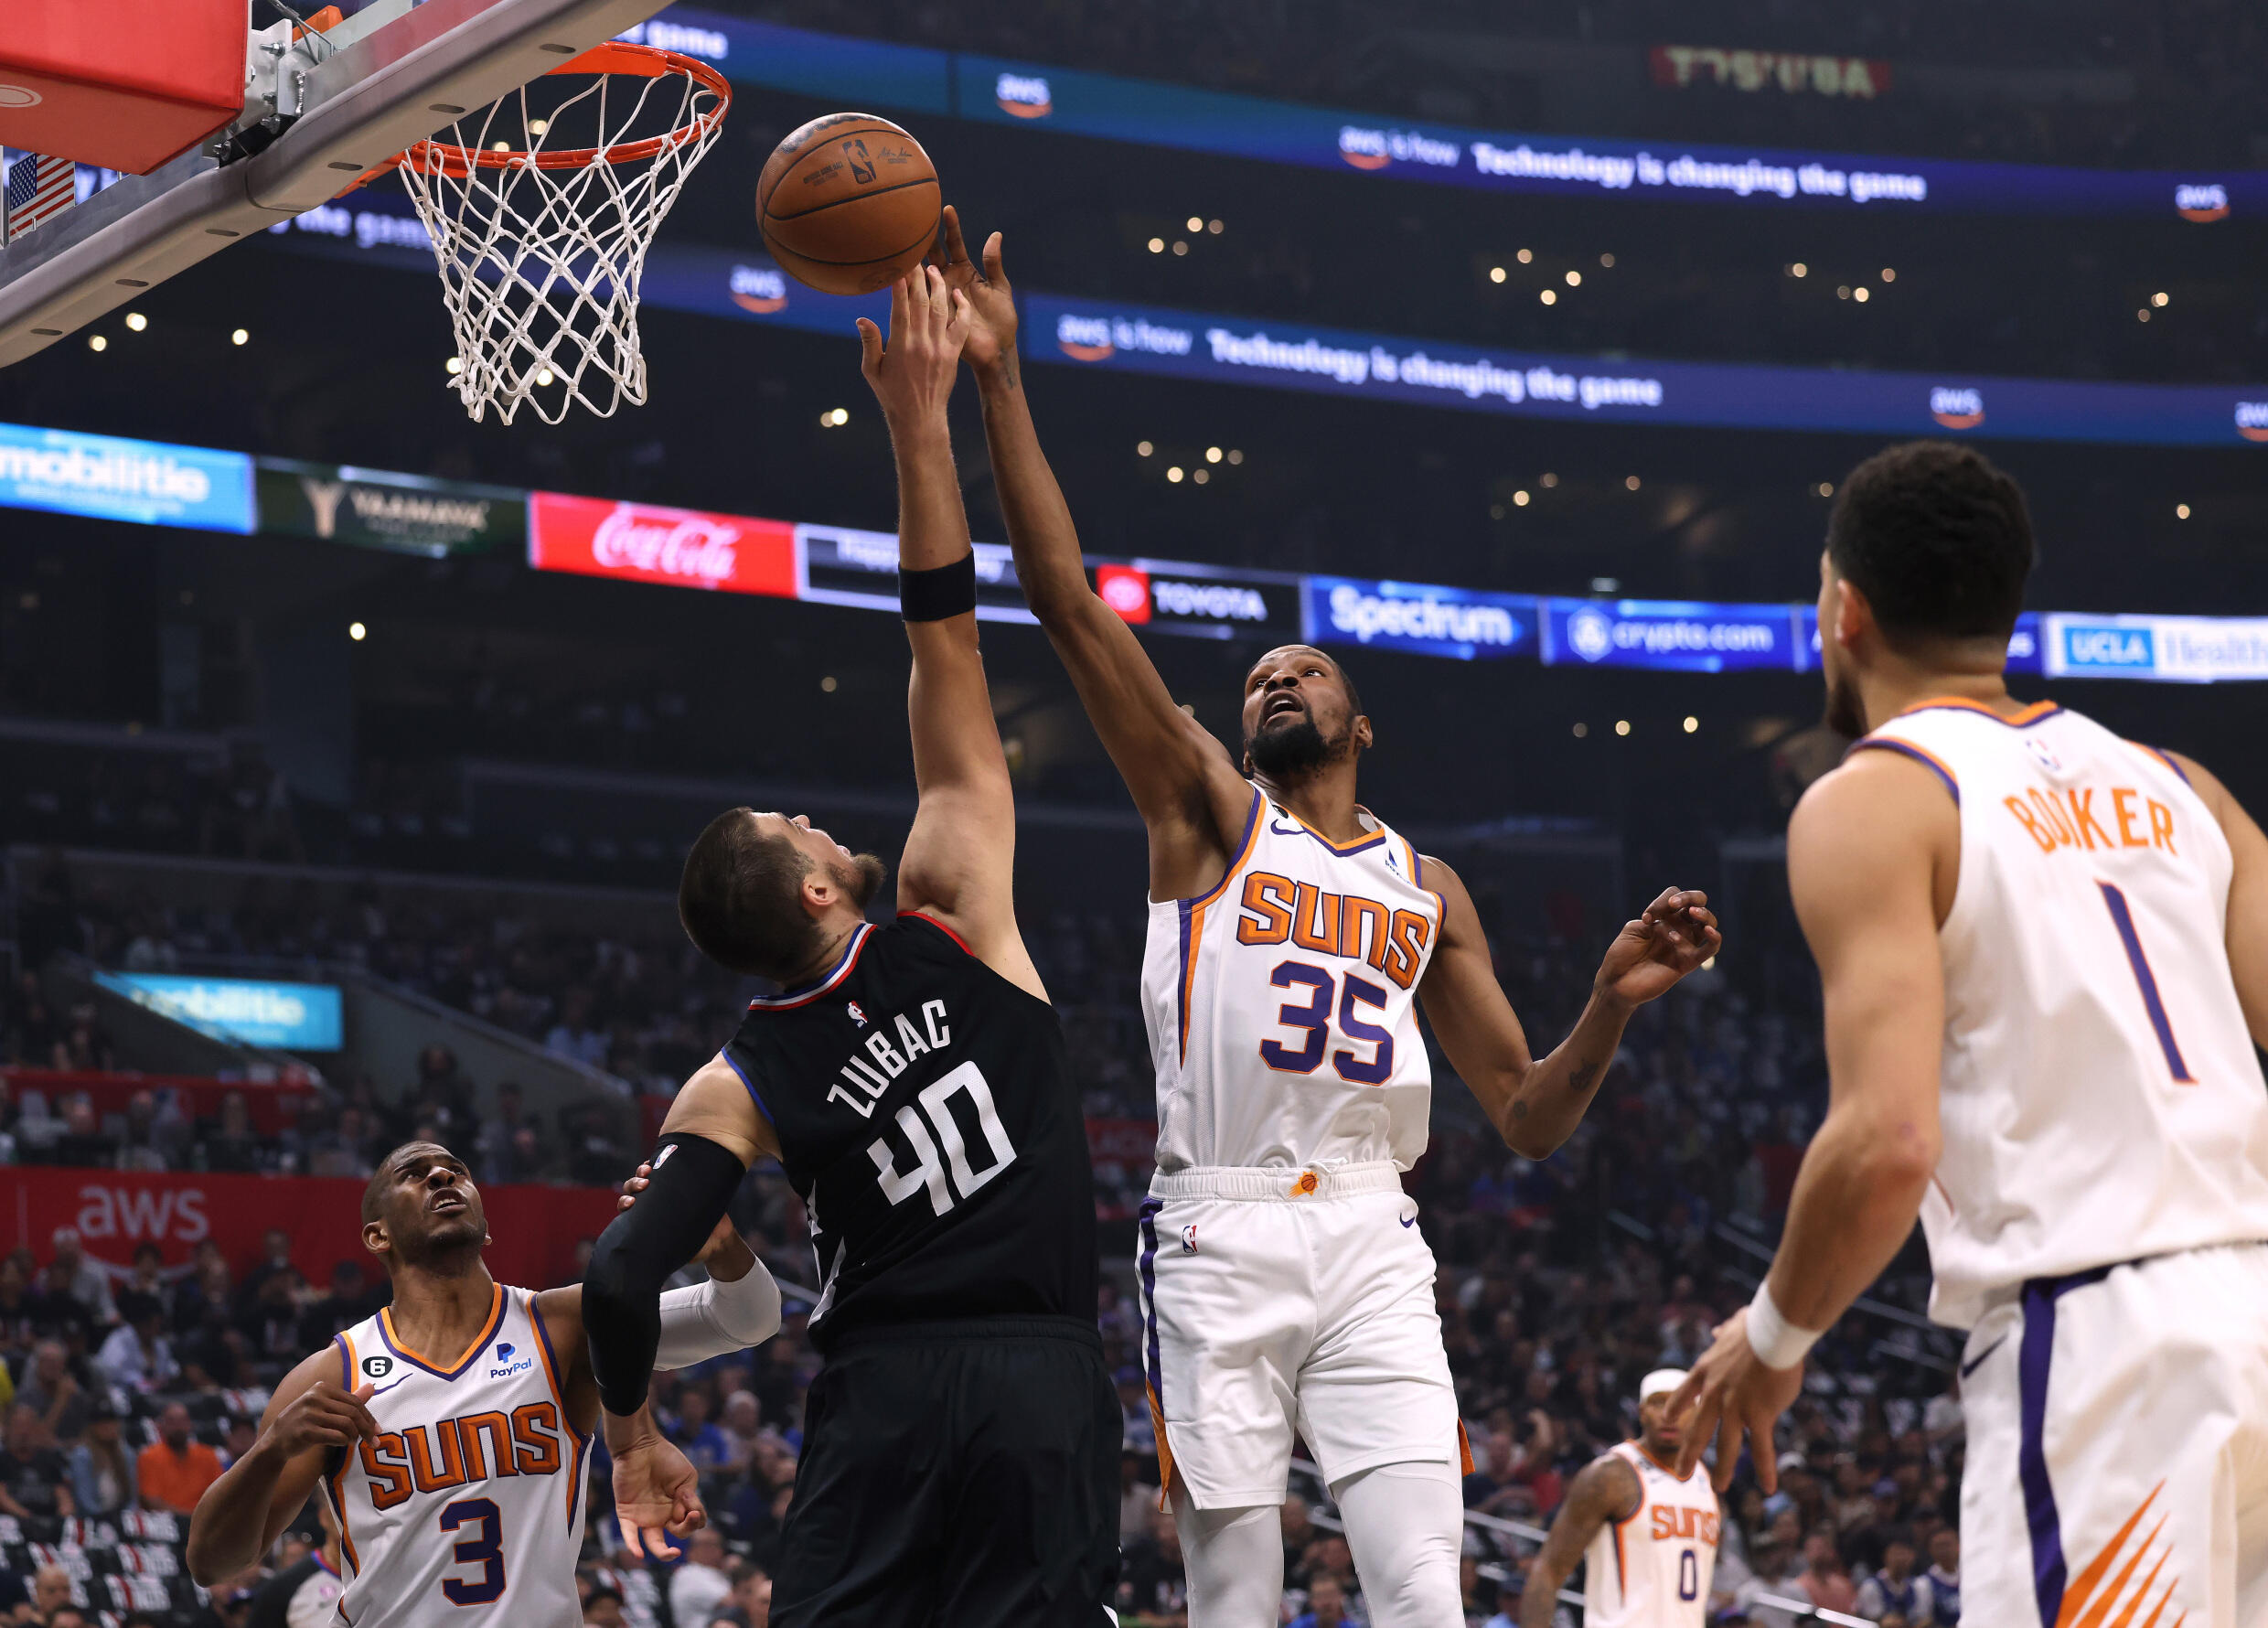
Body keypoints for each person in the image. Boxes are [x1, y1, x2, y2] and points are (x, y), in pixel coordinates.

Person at [930, 204, 1721, 1628]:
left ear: (1368, 719)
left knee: (1423, 1586)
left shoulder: (1430, 888)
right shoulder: (1209, 812)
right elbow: (1062, 601)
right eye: (1260, 678)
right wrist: (1000, 374)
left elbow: (1530, 1119)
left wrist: (1608, 996)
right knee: (1233, 1595)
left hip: (1372, 1228)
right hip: (1218, 1224)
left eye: (1309, 670)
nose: (1277, 680)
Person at [582, 269, 1118, 1628]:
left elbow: (616, 1272)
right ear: (818, 888)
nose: (818, 818)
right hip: (1042, 1383)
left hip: (880, 1398)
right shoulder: (955, 910)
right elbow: (944, 634)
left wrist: (637, 1436)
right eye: (796, 825)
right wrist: (919, 422)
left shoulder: (738, 1076)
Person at [1672, 441, 2268, 1628]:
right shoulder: (2187, 786)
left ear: (1845, 609)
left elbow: (1889, 1138)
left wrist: (1776, 1338)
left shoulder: (1875, 796)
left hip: (2104, 1347)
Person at [184, 1141, 779, 1628]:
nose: (442, 1174)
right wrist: (267, 1454)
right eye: (414, 1175)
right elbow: (213, 1563)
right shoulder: (333, 1374)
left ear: (485, 1227)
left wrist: (721, 1245)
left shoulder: (563, 1326)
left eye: (456, 1171)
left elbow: (746, 1317)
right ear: (376, 1236)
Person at [1520, 1370, 1718, 1627]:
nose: (1670, 1414)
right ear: (1641, 1411)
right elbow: (1547, 1570)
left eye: (1682, 1404)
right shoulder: (1609, 1476)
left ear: (1698, 1414)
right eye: (1659, 1403)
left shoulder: (1704, 1479)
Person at [138, 1400, 222, 1516]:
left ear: (190, 1424)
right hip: (168, 1524)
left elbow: (219, 1494)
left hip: (204, 1521)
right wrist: (188, 1518)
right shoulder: (149, 1456)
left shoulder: (208, 1455)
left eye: (183, 1421)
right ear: (161, 1426)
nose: (178, 1427)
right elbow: (151, 1502)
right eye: (172, 1421)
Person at [1855, 1530, 1936, 1625]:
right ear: (1885, 1556)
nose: (1901, 1559)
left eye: (1905, 1553)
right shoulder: (1871, 1586)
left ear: (1913, 1556)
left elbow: (1925, 1619)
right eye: (1896, 1553)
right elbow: (1876, 1620)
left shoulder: (1920, 1586)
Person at [669, 1527, 733, 1628]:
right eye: (707, 1545)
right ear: (692, 1550)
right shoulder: (689, 1573)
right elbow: (730, 1602)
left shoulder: (719, 1573)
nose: (714, 1550)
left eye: (717, 1545)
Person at [1923, 1526, 1961, 1624]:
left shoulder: (1971, 1577)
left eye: (1947, 1545)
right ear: (1930, 1550)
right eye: (1939, 1546)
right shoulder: (1924, 1583)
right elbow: (1924, 1621)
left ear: (1958, 1546)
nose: (1944, 1550)